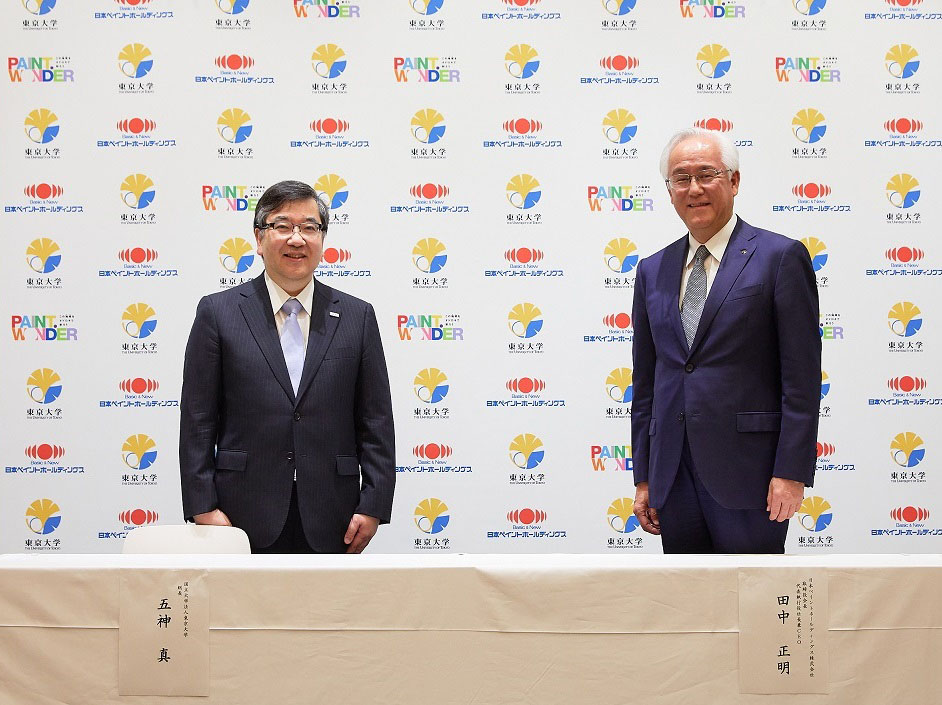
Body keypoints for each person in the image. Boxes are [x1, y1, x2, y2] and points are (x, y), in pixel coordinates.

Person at [630, 128, 820, 553]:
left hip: (751, 477)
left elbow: (802, 380)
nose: (693, 188)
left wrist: (791, 471)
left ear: (733, 182)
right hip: (672, 477)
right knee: (689, 610)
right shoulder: (651, 270)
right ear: (669, 190)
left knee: (754, 605)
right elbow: (645, 384)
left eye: (706, 174)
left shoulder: (780, 258)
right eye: (681, 178)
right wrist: (644, 476)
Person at [179, 180, 395, 553]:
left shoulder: (357, 316)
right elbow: (198, 419)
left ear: (322, 240)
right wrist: (203, 508)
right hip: (239, 516)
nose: (297, 239)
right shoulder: (219, 313)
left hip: (335, 516)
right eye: (282, 226)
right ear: (259, 238)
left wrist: (373, 504)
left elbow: (376, 420)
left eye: (309, 227)